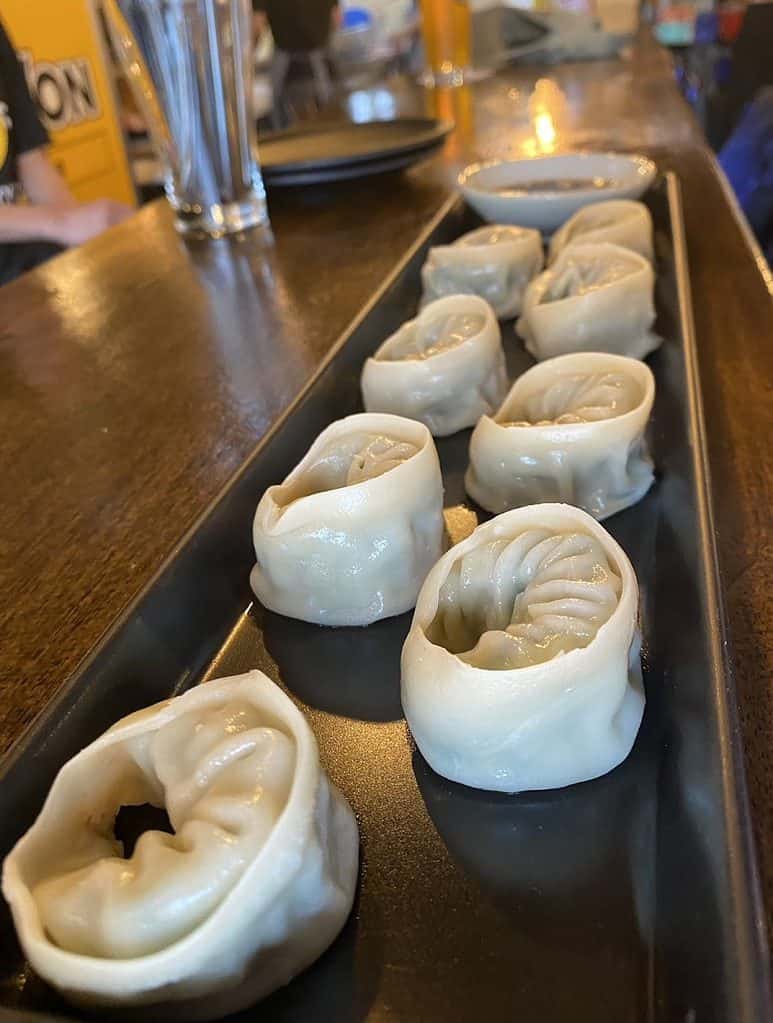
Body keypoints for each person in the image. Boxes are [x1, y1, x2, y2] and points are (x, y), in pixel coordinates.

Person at [0, 18, 132, 287]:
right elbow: (60, 220)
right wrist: (60, 222)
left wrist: (82, 239)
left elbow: (31, 157)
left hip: (19, 263)